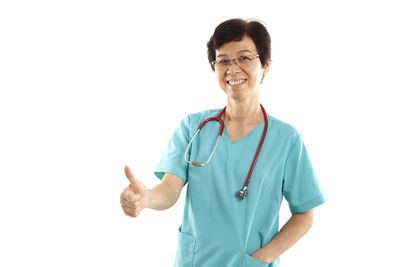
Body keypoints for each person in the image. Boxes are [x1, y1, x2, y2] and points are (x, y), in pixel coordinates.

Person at [120, 18, 326, 267]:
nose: (233, 68)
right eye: (223, 60)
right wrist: (146, 199)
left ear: (266, 65)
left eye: (244, 58)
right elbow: (169, 189)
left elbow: (304, 213)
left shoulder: (287, 140)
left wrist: (261, 259)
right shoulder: (194, 127)